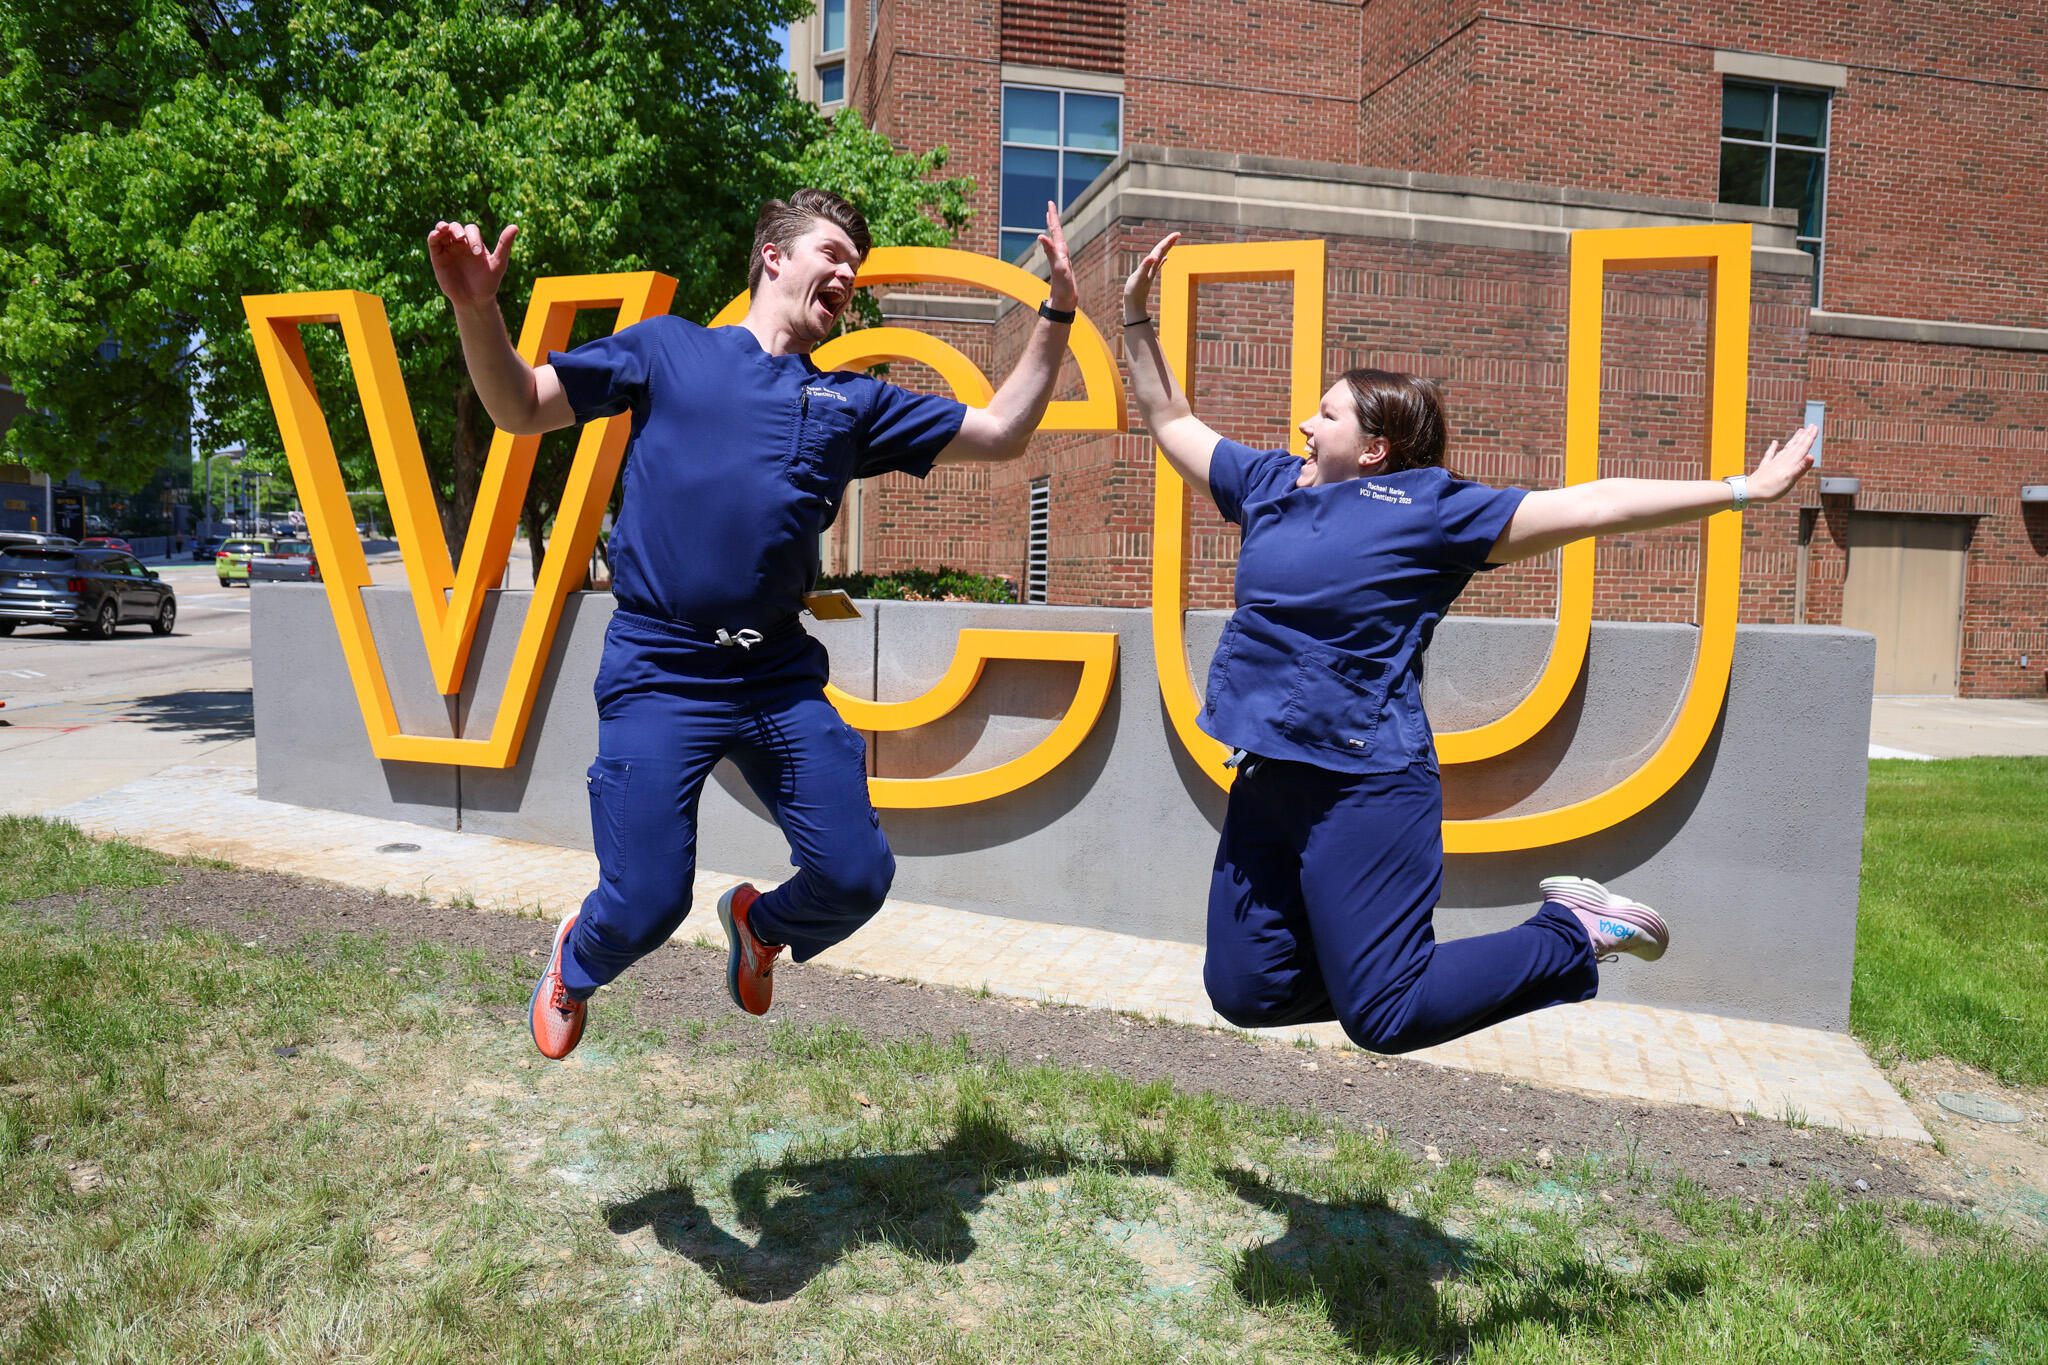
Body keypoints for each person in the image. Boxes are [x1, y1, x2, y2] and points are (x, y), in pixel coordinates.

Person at [1120, 231, 1818, 1055]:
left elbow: (1591, 505)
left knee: (1387, 1017)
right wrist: (1135, 321)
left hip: (1364, 783)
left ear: (1374, 447)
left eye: (1328, 413)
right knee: (1246, 988)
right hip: (1269, 774)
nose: (1304, 423)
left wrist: (1743, 488)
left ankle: (1568, 933)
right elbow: (1172, 418)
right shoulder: (1270, 485)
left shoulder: (1429, 511)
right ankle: (1375, 977)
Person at [428, 190, 1085, 1059]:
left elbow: (1002, 432)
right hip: (662, 669)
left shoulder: (852, 403)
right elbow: (519, 405)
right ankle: (575, 962)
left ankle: (760, 925)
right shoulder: (668, 350)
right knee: (645, 902)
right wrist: (480, 310)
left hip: (775, 674)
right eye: (832, 251)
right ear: (772, 256)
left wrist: (1058, 312)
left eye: (858, 262)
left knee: (856, 877)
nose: (849, 271)